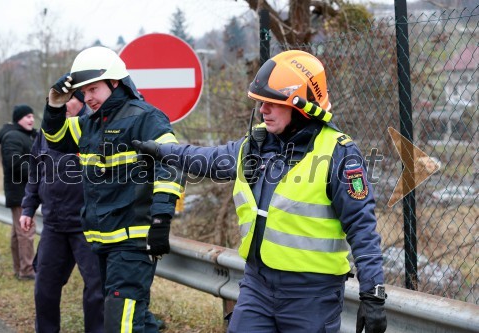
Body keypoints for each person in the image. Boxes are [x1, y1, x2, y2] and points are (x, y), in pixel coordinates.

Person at [133, 50, 387, 333]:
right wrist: (160, 151)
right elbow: (206, 158)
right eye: (261, 103)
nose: (263, 110)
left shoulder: (339, 153)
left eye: (272, 103)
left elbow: (362, 227)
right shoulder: (255, 145)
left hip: (312, 295)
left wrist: (372, 292)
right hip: (257, 286)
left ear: (302, 106)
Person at [41, 46, 183, 332]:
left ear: (114, 82)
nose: (88, 97)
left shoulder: (146, 118)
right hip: (102, 239)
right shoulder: (89, 123)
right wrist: (54, 106)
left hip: (133, 242)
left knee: (122, 324)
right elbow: (56, 139)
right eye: (84, 92)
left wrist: (161, 218)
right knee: (134, 321)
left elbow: (171, 165)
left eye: (93, 89)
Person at [20, 91, 104, 333]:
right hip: (54, 224)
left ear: (82, 101)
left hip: (88, 225)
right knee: (44, 286)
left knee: (96, 289)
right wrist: (28, 207)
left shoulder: (95, 128)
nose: (62, 106)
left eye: (68, 100)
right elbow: (36, 172)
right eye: (56, 102)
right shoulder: (46, 133)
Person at [0, 104, 37, 280]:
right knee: (27, 231)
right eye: (27, 116)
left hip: (22, 191)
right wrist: (37, 173)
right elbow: (14, 163)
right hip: (20, 192)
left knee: (18, 232)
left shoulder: (26, 135)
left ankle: (19, 268)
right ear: (18, 119)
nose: (32, 119)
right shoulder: (13, 137)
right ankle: (27, 271)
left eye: (32, 116)